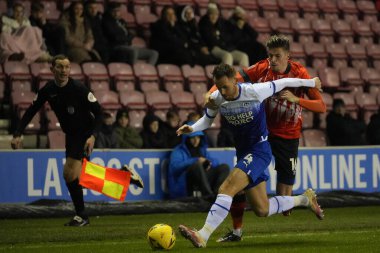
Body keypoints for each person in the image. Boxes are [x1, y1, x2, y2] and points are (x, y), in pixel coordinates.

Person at [177, 63, 324, 248]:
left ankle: (202, 235)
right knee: (262, 209)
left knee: (226, 188)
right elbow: (207, 120)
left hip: (259, 150)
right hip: (243, 153)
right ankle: (304, 199)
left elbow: (285, 81)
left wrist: (310, 82)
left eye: (225, 87)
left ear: (235, 81)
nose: (222, 91)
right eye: (219, 87)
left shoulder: (255, 91)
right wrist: (191, 128)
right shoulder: (217, 97)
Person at [206, 35, 326, 242]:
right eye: (270, 56)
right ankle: (236, 231)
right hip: (263, 135)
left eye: (277, 56)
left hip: (288, 137)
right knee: (240, 181)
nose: (273, 60)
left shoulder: (300, 74)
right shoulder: (261, 68)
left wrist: (297, 99)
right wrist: (211, 92)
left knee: (284, 204)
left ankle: (304, 200)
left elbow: (321, 106)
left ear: (288, 56)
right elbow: (232, 79)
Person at [10, 55, 143, 226]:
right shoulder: (48, 90)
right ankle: (124, 178)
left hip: (84, 132)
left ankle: (82, 216)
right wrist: (17, 133)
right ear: (52, 69)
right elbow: (31, 110)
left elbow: (100, 113)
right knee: (79, 178)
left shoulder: (79, 88)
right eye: (60, 67)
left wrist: (92, 136)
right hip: (71, 134)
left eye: (67, 67)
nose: (64, 70)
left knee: (69, 174)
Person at [168, 126, 229, 199]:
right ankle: (208, 195)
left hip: (203, 178)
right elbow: (175, 167)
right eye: (192, 138)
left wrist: (209, 162)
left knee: (224, 167)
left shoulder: (202, 149)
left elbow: (215, 161)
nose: (196, 140)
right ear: (187, 139)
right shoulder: (178, 151)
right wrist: (196, 160)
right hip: (187, 181)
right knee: (197, 165)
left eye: (198, 137)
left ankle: (217, 195)